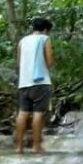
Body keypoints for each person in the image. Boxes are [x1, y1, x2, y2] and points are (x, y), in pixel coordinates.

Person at [15, 18, 54, 155]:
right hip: (40, 81)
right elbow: (49, 61)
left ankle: (19, 147)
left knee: (22, 113)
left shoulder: (22, 41)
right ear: (45, 29)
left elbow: (19, 63)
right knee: (38, 114)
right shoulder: (45, 39)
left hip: (24, 82)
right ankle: (35, 147)